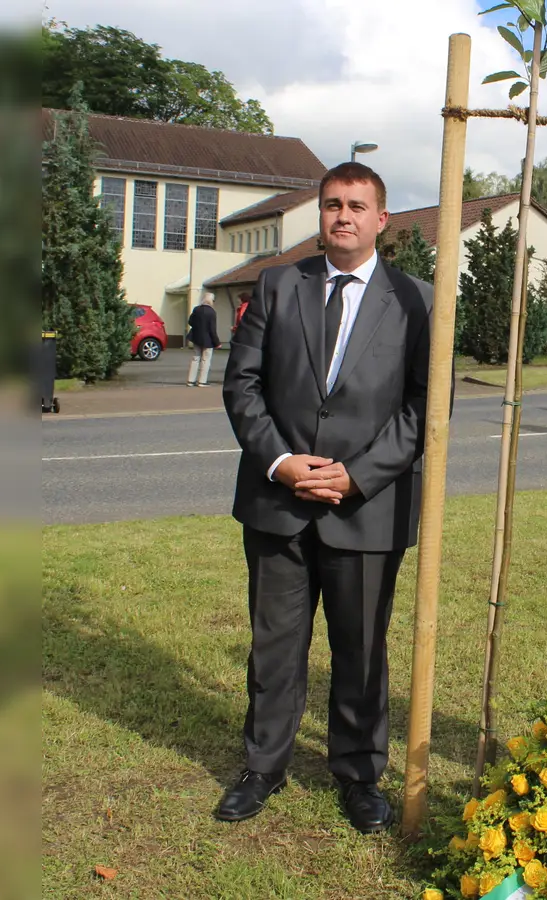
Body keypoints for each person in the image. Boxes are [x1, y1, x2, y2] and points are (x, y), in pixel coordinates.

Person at [217, 162, 434, 833]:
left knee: (362, 647)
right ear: (321, 213)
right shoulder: (280, 285)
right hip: (278, 501)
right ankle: (263, 766)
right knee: (274, 642)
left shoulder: (418, 299)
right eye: (332, 204)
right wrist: (282, 462)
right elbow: (242, 385)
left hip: (368, 507)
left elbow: (425, 406)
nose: (343, 215)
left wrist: (356, 475)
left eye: (357, 205)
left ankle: (360, 775)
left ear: (381, 220)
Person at [186, 293, 221, 387]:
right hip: (208, 340)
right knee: (206, 360)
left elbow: (190, 322)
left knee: (195, 358)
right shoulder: (212, 312)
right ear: (211, 301)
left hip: (196, 337)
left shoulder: (196, 309)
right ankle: (202, 381)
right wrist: (217, 342)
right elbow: (212, 329)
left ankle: (190, 380)